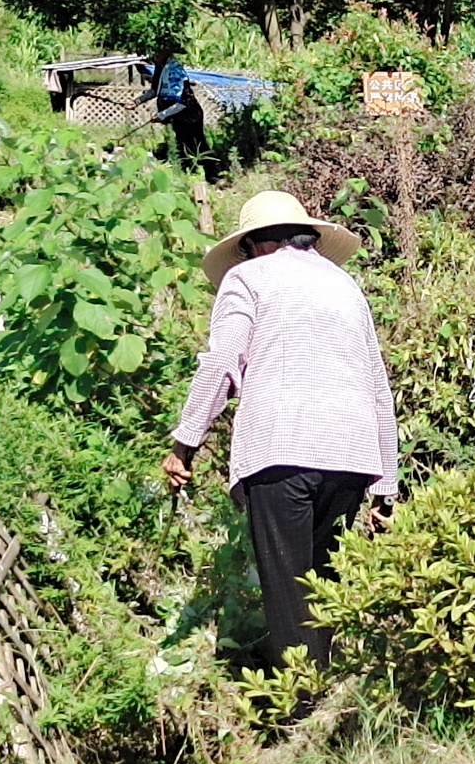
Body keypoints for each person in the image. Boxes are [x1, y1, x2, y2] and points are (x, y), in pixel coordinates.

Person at [162, 191, 400, 670]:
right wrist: (386, 489)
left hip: (279, 448)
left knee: (287, 587)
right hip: (351, 456)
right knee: (320, 582)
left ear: (252, 245)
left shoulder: (246, 279)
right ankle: (322, 691)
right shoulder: (345, 286)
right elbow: (379, 386)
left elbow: (222, 364)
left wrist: (184, 446)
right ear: (306, 237)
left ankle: (298, 705)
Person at [140, 45, 208, 168]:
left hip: (189, 115)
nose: (154, 58)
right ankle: (188, 170)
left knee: (195, 144)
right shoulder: (160, 68)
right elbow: (155, 90)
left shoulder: (176, 70)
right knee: (181, 144)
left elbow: (184, 102)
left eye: (156, 54)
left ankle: (211, 173)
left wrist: (162, 115)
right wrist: (137, 101)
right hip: (175, 115)